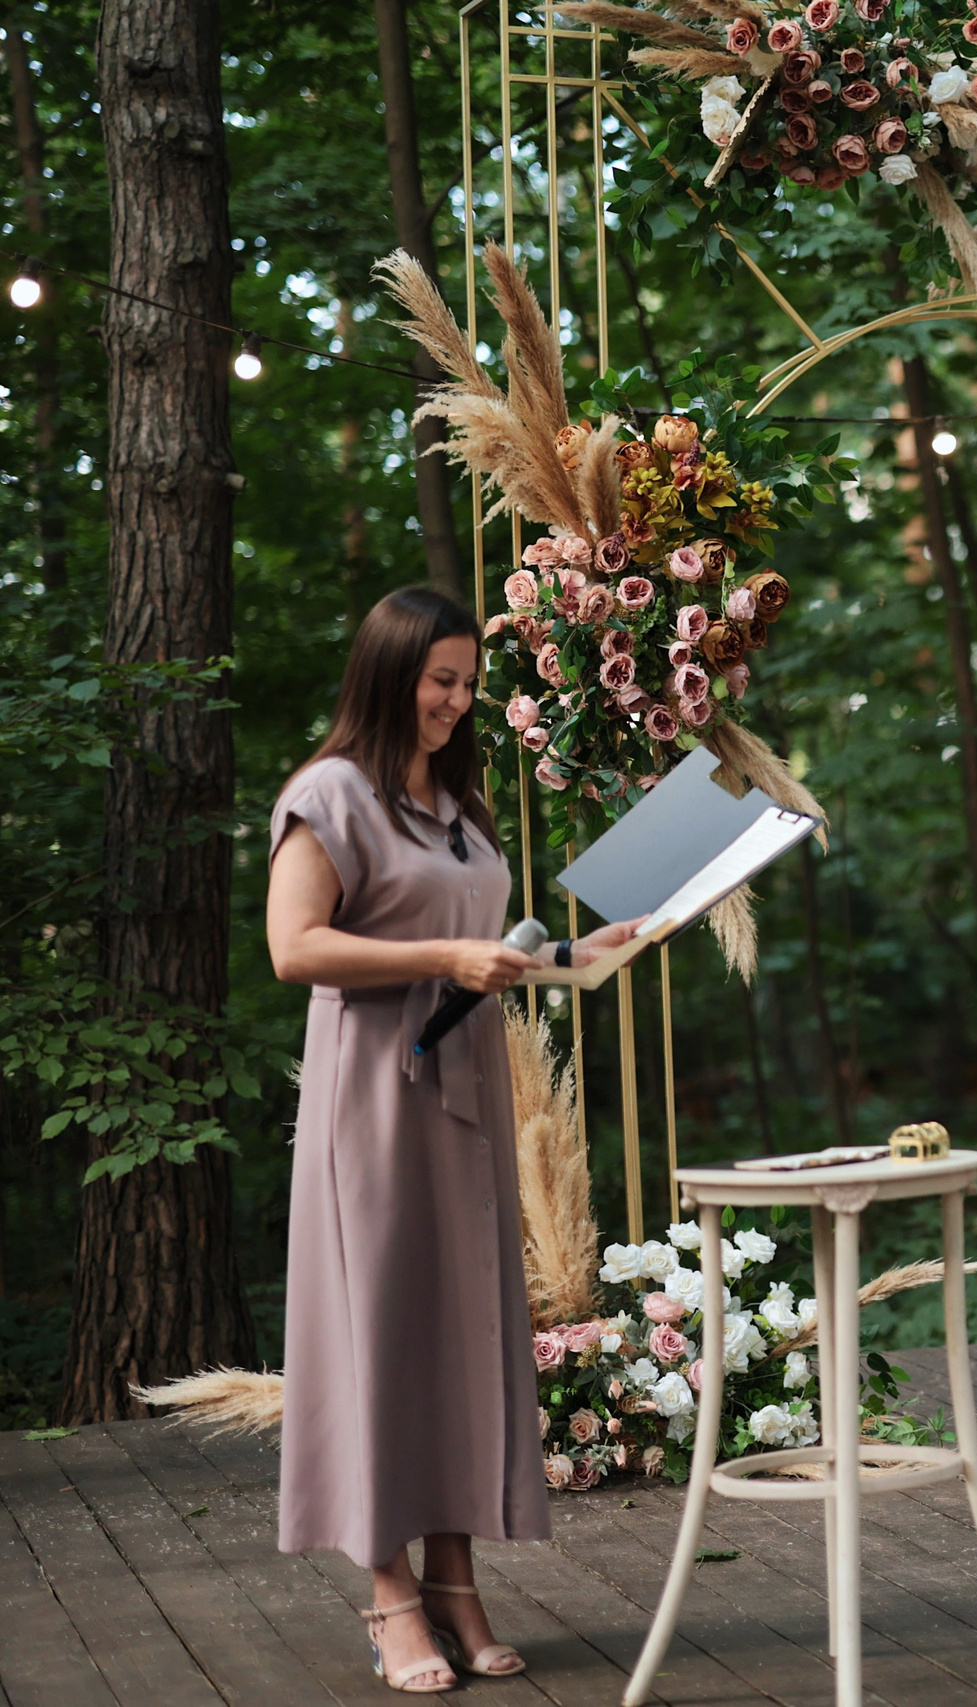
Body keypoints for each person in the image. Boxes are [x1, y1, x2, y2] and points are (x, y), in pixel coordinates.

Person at [266, 587, 637, 1693]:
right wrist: (442, 959)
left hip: (464, 1096)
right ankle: (391, 1599)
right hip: (373, 1099)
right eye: (441, 680)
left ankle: (456, 1583)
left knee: (459, 1332)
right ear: (390, 674)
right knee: (379, 1330)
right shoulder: (329, 793)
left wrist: (575, 956)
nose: (458, 700)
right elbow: (294, 948)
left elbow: (481, 947)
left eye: (469, 683)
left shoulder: (459, 804)